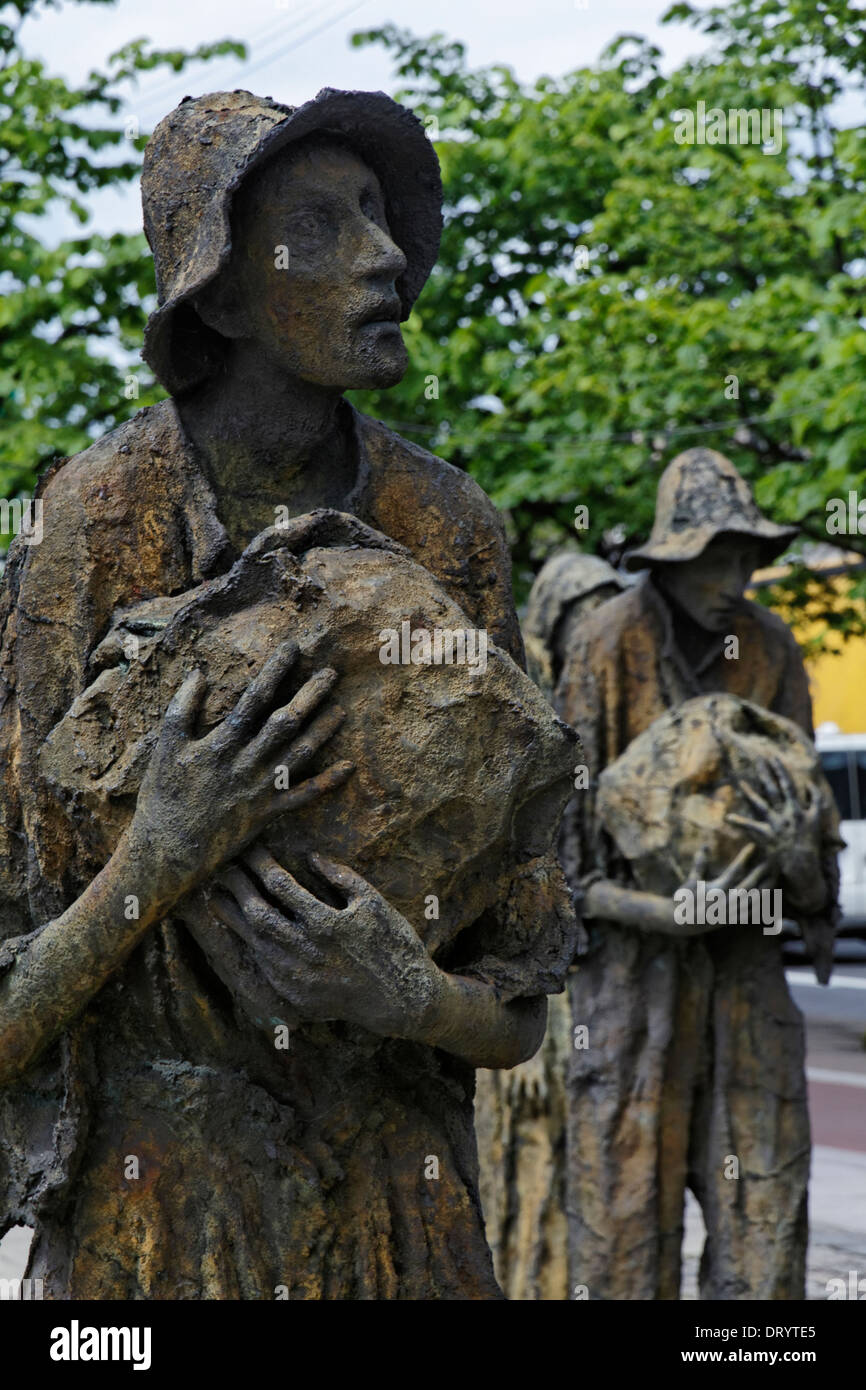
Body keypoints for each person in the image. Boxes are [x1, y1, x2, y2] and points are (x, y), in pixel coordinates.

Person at [0, 89, 574, 1300]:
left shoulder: (449, 532)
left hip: (400, 1205)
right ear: (218, 285)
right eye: (320, 224)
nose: (385, 258)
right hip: (157, 1218)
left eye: (379, 215)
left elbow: (519, 1001)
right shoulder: (91, 529)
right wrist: (158, 854)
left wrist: (411, 998)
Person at [557, 447, 839, 1300]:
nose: (734, 576)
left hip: (747, 979)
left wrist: (803, 871)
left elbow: (811, 833)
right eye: (714, 556)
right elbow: (558, 871)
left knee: (765, 1229)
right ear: (670, 558)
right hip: (631, 989)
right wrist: (661, 913)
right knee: (622, 1238)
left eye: (745, 556)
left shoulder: (773, 649)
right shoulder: (606, 647)